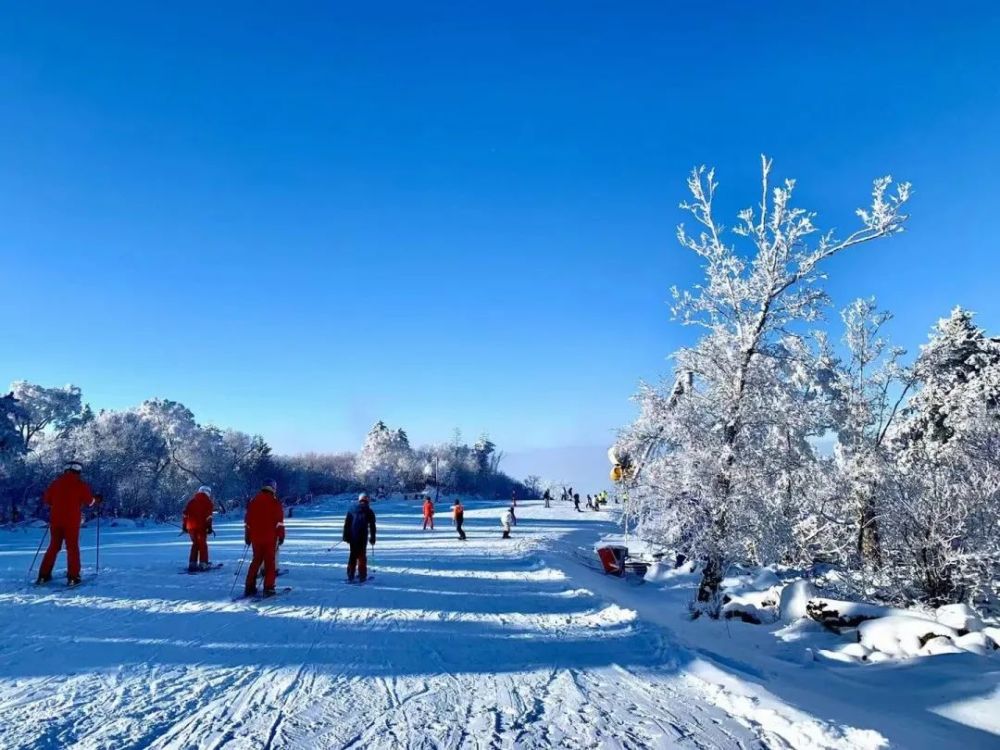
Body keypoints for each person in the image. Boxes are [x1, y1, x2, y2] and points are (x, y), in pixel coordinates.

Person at [37, 461, 102, 585]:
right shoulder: (80, 484)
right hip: (71, 521)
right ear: (78, 471)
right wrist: (97, 499)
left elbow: (47, 500)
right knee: (72, 548)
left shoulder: (55, 483)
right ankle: (73, 577)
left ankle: (43, 575)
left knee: (53, 546)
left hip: (55, 520)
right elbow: (89, 502)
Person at [244, 479, 285, 597]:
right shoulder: (275, 502)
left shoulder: (253, 501)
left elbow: (248, 521)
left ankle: (249, 586)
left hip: (256, 537)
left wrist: (247, 536)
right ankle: (269, 588)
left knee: (256, 560)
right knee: (269, 562)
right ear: (273, 488)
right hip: (270, 537)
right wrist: (281, 536)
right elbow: (279, 523)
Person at [343, 493, 377, 582]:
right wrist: (373, 537)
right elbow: (372, 526)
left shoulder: (351, 509)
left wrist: (345, 536)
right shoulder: (369, 511)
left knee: (353, 555)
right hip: (362, 536)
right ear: (367, 500)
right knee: (362, 555)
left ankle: (350, 575)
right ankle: (362, 576)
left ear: (359, 500)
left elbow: (347, 524)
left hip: (353, 536)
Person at [183, 485, 214, 572]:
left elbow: (185, 514)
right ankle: (203, 563)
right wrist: (209, 527)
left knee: (195, 544)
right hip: (201, 527)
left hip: (191, 528)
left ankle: (192, 563)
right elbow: (208, 516)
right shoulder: (208, 502)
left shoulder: (191, 501)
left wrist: (184, 526)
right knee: (202, 545)